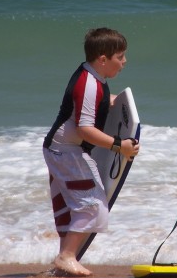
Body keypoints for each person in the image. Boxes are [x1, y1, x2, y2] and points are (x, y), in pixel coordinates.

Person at [42, 28, 140, 276]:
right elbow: (85, 129)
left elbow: (89, 104)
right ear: (103, 59)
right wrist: (120, 145)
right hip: (66, 151)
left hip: (61, 149)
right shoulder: (89, 83)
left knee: (72, 208)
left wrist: (110, 102)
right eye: (121, 56)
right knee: (92, 206)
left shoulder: (92, 76)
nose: (125, 61)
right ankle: (66, 256)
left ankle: (64, 261)